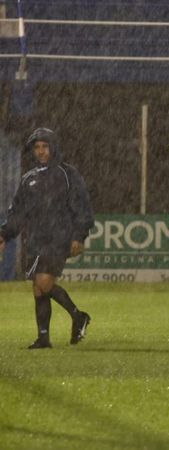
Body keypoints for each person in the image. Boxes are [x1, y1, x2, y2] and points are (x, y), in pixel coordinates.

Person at [0, 128, 94, 349]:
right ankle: (43, 338)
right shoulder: (28, 179)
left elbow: (82, 206)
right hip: (35, 239)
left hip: (58, 237)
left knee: (44, 282)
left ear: (53, 148)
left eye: (45, 146)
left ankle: (78, 316)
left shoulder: (67, 174)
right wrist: (4, 233)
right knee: (38, 288)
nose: (41, 151)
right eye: (37, 147)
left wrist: (79, 235)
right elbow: (17, 212)